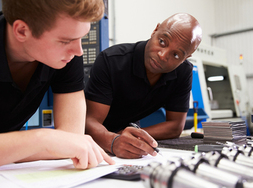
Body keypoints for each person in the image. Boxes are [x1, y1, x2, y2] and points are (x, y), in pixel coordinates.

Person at [0, 0, 115, 169]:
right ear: (22, 30)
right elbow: (59, 143)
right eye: (65, 41)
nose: (78, 51)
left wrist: (10, 148)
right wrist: (42, 139)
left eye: (81, 37)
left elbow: (70, 140)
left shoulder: (68, 56)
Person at [85, 13, 202, 159]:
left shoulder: (183, 72)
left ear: (186, 57)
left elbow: (175, 126)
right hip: (93, 142)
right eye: (162, 41)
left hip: (126, 139)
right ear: (155, 30)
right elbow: (90, 122)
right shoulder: (111, 61)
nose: (163, 55)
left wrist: (135, 137)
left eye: (176, 55)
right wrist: (114, 140)